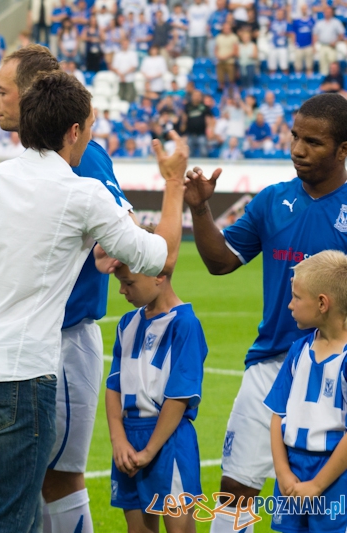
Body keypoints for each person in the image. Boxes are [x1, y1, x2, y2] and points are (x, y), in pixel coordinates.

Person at [0, 68, 188, 533]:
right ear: (74, 131)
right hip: (19, 376)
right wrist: (174, 186)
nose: (90, 136)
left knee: (16, 503)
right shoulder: (83, 194)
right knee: (10, 518)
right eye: (90, 127)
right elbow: (160, 258)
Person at [0, 44, 139, 533]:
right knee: (27, 479)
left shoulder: (84, 156)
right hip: (26, 340)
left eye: (2, 91)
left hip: (64, 338)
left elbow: (122, 235)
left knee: (59, 478)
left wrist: (115, 248)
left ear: (33, 93)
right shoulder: (28, 163)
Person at [184, 93, 347, 533]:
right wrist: (200, 208)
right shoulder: (272, 200)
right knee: (235, 489)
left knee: (327, 500)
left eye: (313, 142)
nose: (297, 149)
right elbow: (221, 261)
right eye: (295, 136)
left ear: (343, 150)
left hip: (336, 368)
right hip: (271, 364)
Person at [106, 259, 207, 533]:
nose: (122, 290)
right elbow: (113, 385)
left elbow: (179, 396)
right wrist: (118, 439)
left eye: (128, 282)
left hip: (168, 439)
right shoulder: (126, 323)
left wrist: (150, 450)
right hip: (129, 438)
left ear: (159, 275)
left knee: (179, 528)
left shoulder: (185, 324)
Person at [264, 251, 347, 533]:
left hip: (334, 475)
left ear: (322, 303)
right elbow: (278, 414)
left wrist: (317, 485)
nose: (290, 304)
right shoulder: (298, 351)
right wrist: (282, 472)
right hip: (292, 468)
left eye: (296, 297)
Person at [291, 4, 316, 76]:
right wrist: (294, 44)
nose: (304, 10)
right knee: (298, 66)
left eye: (305, 9)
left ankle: (309, 80)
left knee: (309, 65)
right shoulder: (297, 21)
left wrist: (313, 45)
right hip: (299, 46)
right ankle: (298, 80)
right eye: (303, 9)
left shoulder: (311, 20)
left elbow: (314, 34)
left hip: (308, 45)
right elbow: (293, 33)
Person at [214, 22, 239, 90]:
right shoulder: (219, 37)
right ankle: (221, 93)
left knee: (231, 80)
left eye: (228, 28)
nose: (227, 29)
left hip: (230, 62)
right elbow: (216, 49)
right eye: (225, 28)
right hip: (220, 62)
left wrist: (225, 57)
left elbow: (235, 51)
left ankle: (231, 92)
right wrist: (218, 56)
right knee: (221, 80)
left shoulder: (234, 37)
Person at [267, 8, 291, 75]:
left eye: (281, 14)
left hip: (283, 46)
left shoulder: (286, 23)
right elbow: (268, 32)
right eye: (278, 14)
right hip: (273, 46)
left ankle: (285, 79)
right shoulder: (272, 23)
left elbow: (291, 34)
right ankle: (271, 79)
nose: (280, 15)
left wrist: (285, 34)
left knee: (284, 66)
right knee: (272, 66)